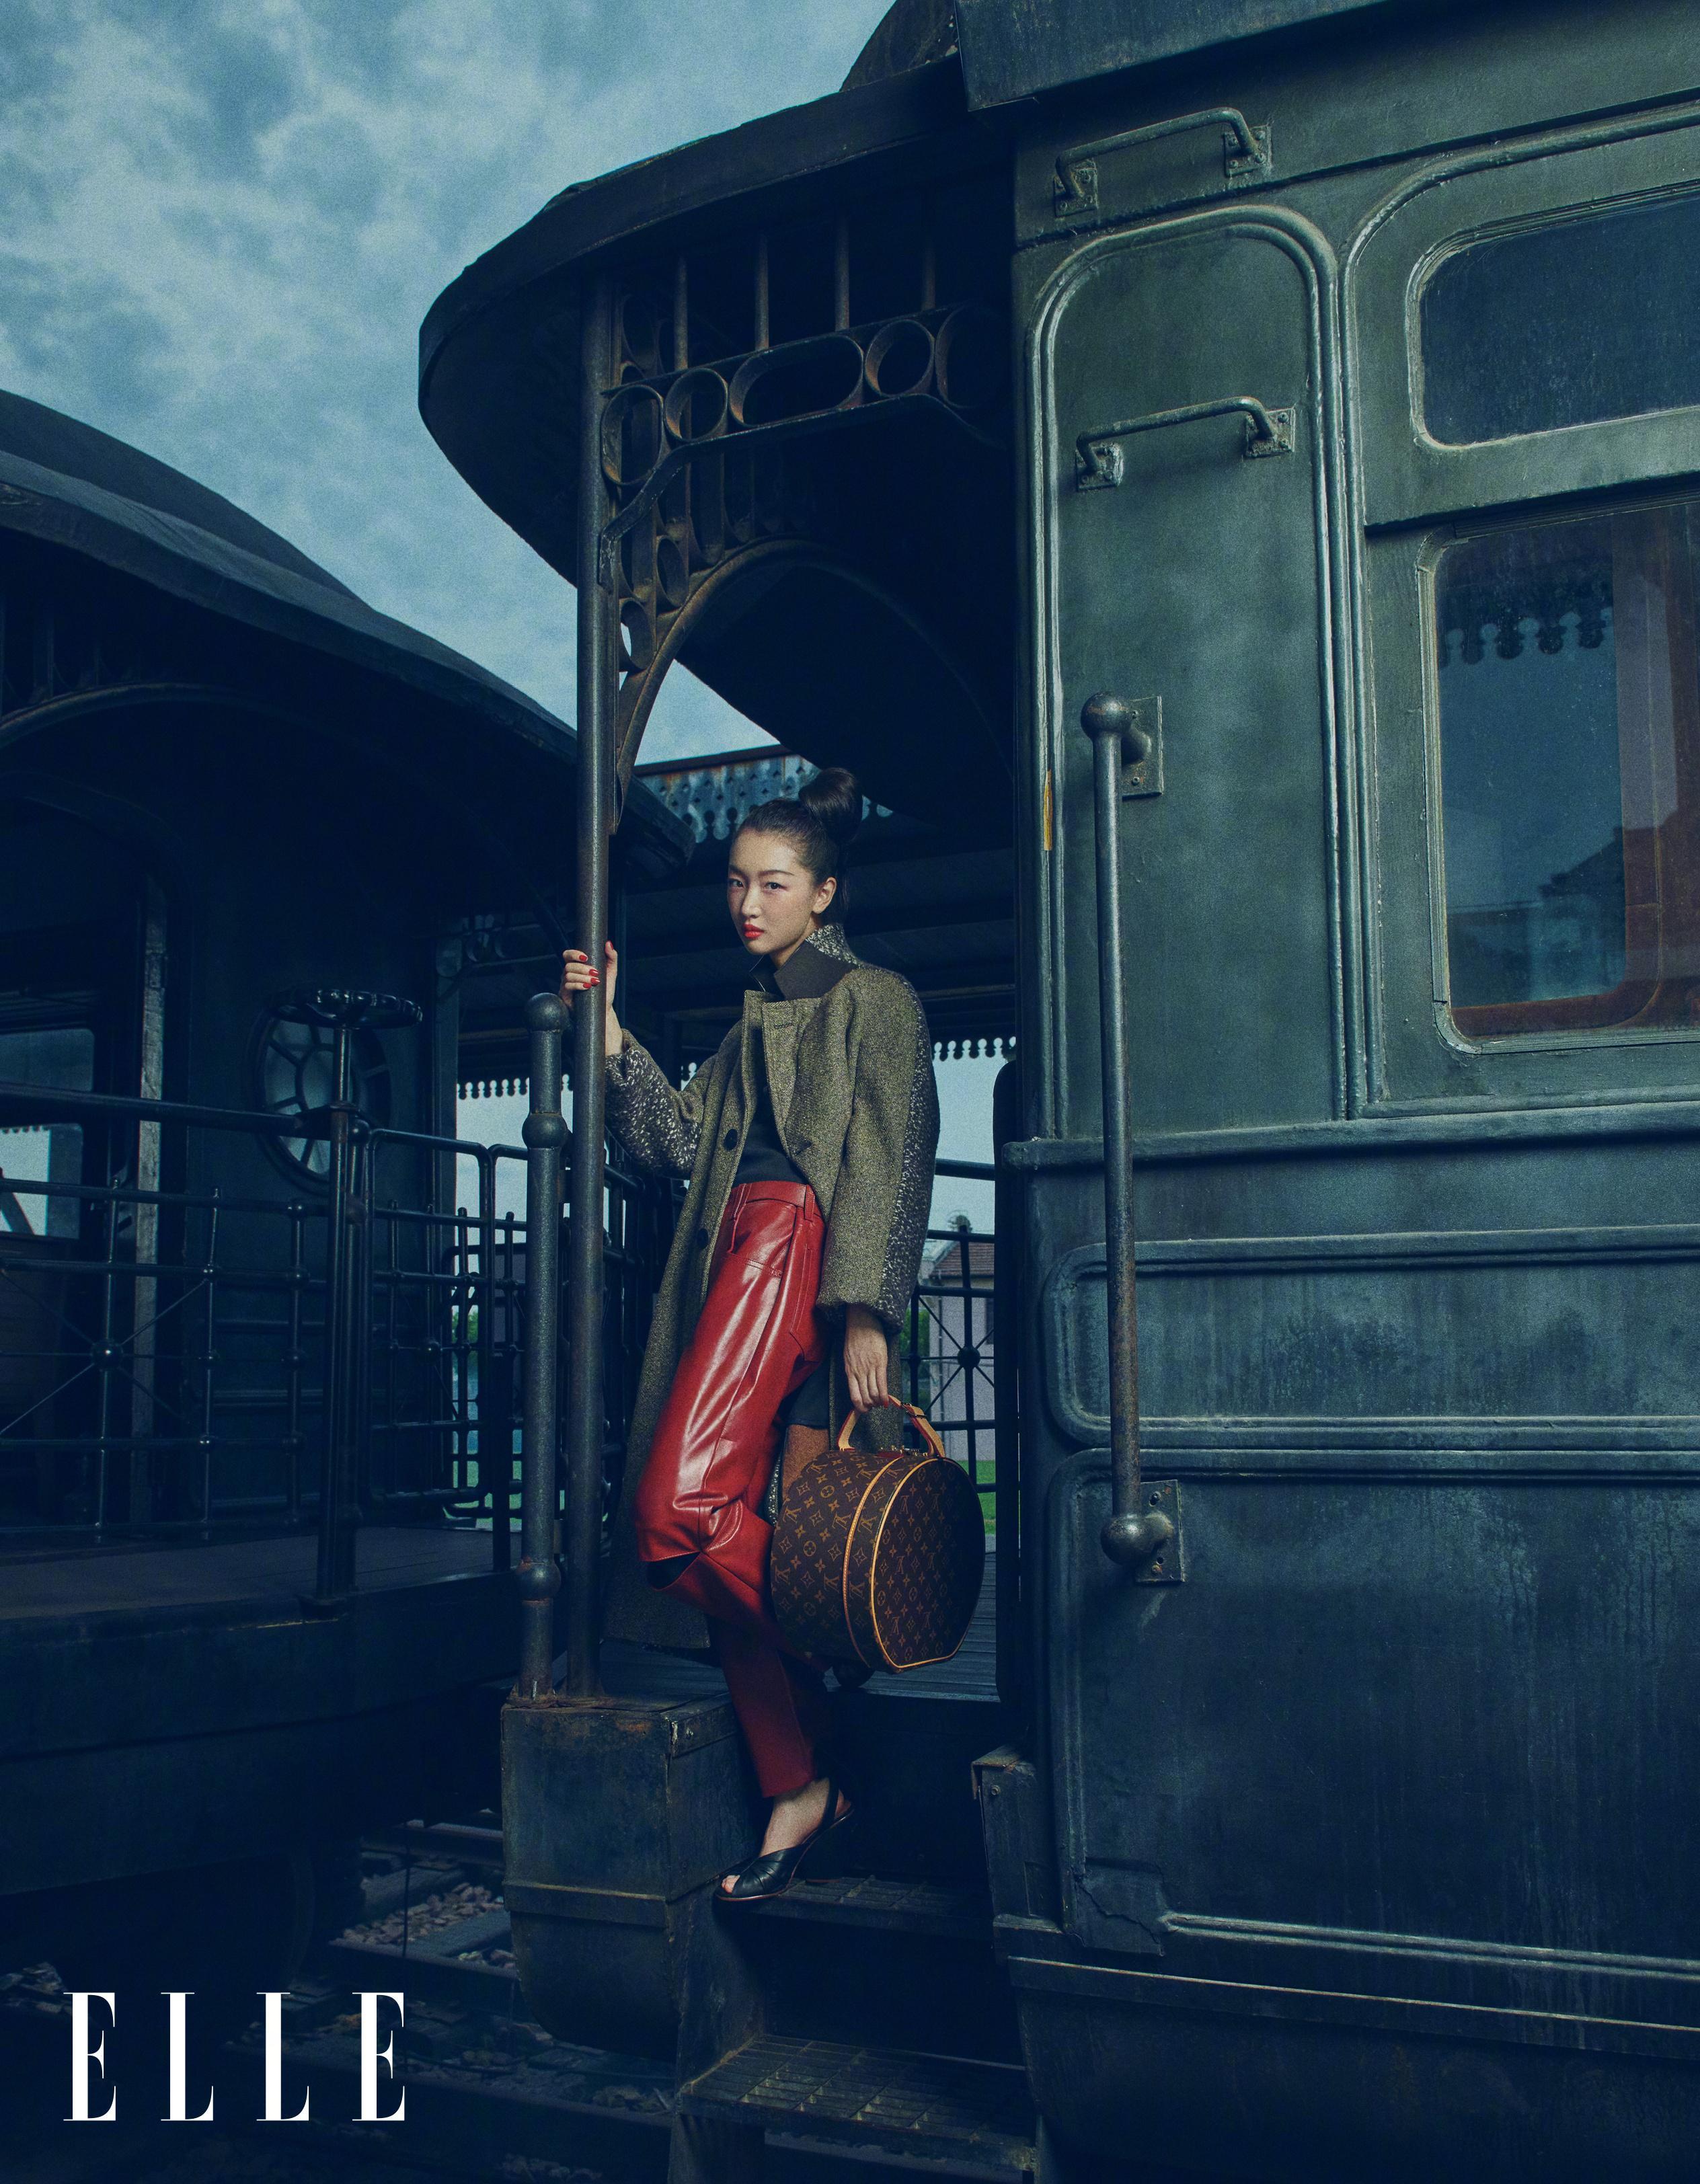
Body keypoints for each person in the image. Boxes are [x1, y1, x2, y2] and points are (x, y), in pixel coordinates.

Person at [559, 767, 939, 1902]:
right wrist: (611, 1031)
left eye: (773, 884)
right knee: (714, 1525)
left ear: (824, 895)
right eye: (737, 884)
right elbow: (671, 1146)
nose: (747, 903)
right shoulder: (751, 1021)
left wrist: (868, 1309)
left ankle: (835, 1635)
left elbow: (895, 1147)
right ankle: (801, 1780)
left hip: (796, 1252)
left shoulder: (876, 999)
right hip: (732, 1259)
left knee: (675, 1513)